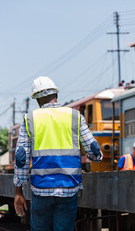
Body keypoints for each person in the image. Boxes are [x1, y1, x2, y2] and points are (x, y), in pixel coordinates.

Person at [13, 76, 103, 231]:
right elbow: (93, 150)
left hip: (41, 189)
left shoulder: (30, 119)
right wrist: (95, 157)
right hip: (69, 188)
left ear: (37, 100)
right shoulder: (74, 116)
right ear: (56, 95)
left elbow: (21, 158)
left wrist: (18, 191)